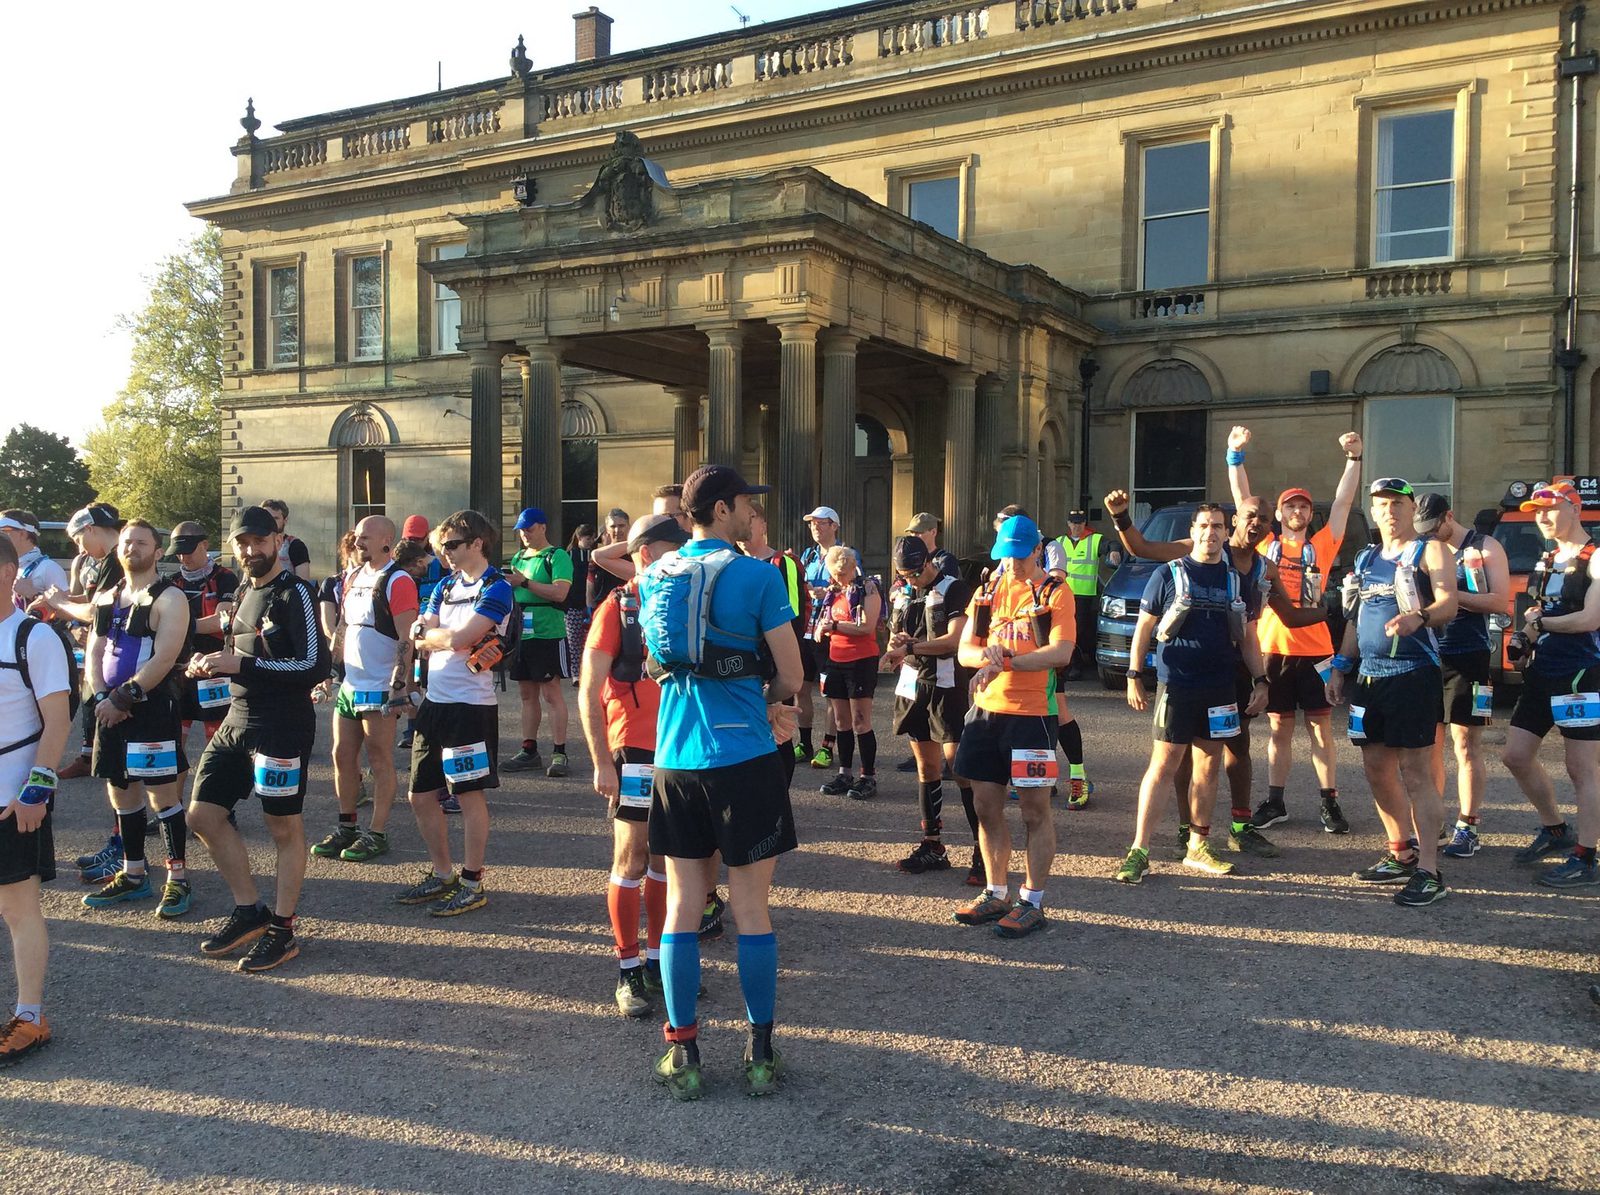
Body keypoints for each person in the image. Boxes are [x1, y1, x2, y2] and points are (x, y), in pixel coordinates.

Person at [640, 464, 802, 1100]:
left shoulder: (654, 575)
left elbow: (656, 663)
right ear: (726, 508)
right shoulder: (757, 574)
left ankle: (683, 1052)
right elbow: (790, 672)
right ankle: (760, 1052)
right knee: (751, 907)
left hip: (676, 756)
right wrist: (766, 698)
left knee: (682, 904)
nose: (751, 514)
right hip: (743, 755)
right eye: (746, 504)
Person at [1106, 488, 1327, 860]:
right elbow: (1141, 548)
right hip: (1192, 669)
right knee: (1180, 753)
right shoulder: (1203, 550)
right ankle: (1184, 827)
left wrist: (1332, 611)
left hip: (1238, 666)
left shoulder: (1262, 568)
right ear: (1235, 521)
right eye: (1250, 516)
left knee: (1236, 748)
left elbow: (1288, 617)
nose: (1256, 524)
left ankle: (1239, 828)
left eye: (1263, 520)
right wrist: (1121, 517)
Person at [185, 506, 329, 971]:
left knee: (282, 828)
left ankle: (283, 930)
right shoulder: (245, 587)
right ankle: (250, 911)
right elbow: (241, 648)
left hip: (283, 724)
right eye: (242, 542)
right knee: (203, 816)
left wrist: (240, 666)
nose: (250, 550)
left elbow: (314, 667)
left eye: (258, 541)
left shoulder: (297, 593)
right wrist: (209, 660)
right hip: (237, 718)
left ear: (277, 540)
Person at [1114, 505, 1271, 885]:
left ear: (1225, 531)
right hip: (1178, 684)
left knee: (1208, 767)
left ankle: (1198, 846)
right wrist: (1134, 675)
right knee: (1163, 766)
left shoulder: (1237, 580)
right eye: (1203, 526)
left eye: (1217, 526)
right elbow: (1144, 627)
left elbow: (1248, 638)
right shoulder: (1168, 573)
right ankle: (1139, 850)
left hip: (1220, 687)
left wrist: (1262, 680)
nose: (1210, 533)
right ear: (1193, 531)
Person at [1326, 478, 1458, 907]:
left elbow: (1449, 604)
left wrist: (1417, 617)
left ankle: (1430, 871)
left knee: (1416, 773)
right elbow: (1353, 619)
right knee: (1375, 768)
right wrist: (1340, 668)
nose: (1389, 511)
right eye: (1381, 504)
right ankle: (1400, 852)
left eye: (1398, 504)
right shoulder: (1365, 558)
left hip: (1413, 673)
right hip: (1370, 678)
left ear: (1410, 508)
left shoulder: (1428, 549)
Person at [1228, 426, 1364, 833]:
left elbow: (1343, 502)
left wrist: (1353, 459)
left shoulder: (1322, 545)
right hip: (1274, 648)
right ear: (1281, 513)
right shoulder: (1265, 543)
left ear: (1309, 514)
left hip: (1316, 649)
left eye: (1304, 507)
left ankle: (1329, 802)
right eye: (1291, 506)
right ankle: (1275, 801)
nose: (1298, 512)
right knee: (1279, 729)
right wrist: (1235, 454)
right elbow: (1242, 500)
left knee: (1321, 729)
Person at [579, 513, 688, 1017]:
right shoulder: (615, 609)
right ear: (645, 553)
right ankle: (627, 969)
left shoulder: (685, 600)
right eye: (673, 549)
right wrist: (601, 760)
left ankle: (655, 961)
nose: (683, 557)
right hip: (634, 748)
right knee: (633, 857)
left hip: (681, 747)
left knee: (668, 858)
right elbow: (586, 690)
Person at [951, 514, 1075, 938]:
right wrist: (989, 657)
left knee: (1033, 811)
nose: (1013, 564)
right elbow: (965, 649)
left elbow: (1061, 652)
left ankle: (1032, 900)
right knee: (985, 806)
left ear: (1038, 550)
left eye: (1020, 557)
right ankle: (995, 891)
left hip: (1032, 717)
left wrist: (1009, 661)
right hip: (986, 713)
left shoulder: (1055, 592)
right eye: (1006, 556)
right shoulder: (988, 590)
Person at [397, 510, 515, 917]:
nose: (443, 553)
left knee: (467, 795)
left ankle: (472, 880)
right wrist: (436, 637)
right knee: (419, 794)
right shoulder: (446, 584)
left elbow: (461, 637)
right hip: (436, 701)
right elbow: (420, 628)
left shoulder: (496, 587)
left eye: (451, 545)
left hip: (471, 706)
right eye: (439, 547)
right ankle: (443, 873)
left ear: (477, 543)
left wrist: (432, 637)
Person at [80, 520, 196, 918]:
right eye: (127, 542)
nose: (132, 547)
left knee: (162, 796)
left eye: (141, 542)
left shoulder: (170, 598)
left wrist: (122, 697)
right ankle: (132, 875)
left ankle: (177, 880)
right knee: (120, 792)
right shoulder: (107, 597)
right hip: (109, 712)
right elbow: (94, 653)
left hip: (149, 709)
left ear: (158, 551)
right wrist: (100, 697)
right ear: (118, 549)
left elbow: (165, 658)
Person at [1498, 481, 1600, 888]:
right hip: (1543, 671)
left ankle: (1586, 856)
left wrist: (1540, 624)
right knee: (1515, 756)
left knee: (1581, 769)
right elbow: (1538, 610)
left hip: (1581, 673)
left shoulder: (1595, 557)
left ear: (1574, 509)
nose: (1541, 517)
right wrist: (1525, 637)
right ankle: (1556, 828)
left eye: (1549, 509)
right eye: (1535, 511)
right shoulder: (1548, 557)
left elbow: (1590, 620)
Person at [0, 533, 72, 1064]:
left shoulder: (33, 638)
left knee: (18, 910)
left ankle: (29, 1017)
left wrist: (36, 790)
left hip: (12, 800)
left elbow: (58, 720)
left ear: (6, 575)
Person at [311, 516, 419, 865]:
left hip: (379, 685)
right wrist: (328, 668)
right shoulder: (352, 576)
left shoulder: (398, 580)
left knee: (379, 759)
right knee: (342, 755)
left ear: (387, 540)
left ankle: (377, 831)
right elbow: (342, 627)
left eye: (366, 538)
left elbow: (407, 639)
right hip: (351, 683)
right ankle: (347, 825)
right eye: (357, 537)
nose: (358, 543)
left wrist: (400, 685)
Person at [1412, 494, 1513, 859]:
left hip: (1468, 656)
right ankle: (1433, 820)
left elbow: (1499, 601)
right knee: (1429, 746)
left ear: (1449, 517)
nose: (1427, 538)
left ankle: (1468, 825)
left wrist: (1450, 597)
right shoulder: (1421, 548)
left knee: (1467, 744)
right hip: (1428, 656)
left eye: (1432, 530)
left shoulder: (1484, 547)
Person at [884, 534, 977, 878]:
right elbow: (895, 634)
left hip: (947, 684)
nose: (908, 580)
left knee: (960, 768)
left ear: (927, 562)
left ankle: (982, 849)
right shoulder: (903, 591)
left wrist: (911, 649)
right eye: (902, 574)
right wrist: (897, 641)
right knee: (926, 768)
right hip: (912, 684)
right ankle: (933, 844)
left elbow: (954, 640)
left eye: (912, 573)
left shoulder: (954, 588)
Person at [992, 504, 1084, 807]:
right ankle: (1033, 778)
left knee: (1059, 710)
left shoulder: (1052, 547)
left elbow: (1054, 580)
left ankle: (1078, 776)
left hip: (1047, 640)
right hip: (1017, 650)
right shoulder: (1005, 559)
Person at [37, 503, 122, 790]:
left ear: (90, 529)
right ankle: (92, 757)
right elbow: (90, 601)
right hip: (104, 641)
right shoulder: (103, 559)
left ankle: (113, 765)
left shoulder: (116, 559)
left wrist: (59, 604)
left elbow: (97, 612)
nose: (80, 549)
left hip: (120, 646)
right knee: (90, 697)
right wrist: (57, 600)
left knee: (104, 701)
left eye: (78, 540)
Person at [503, 508, 573, 777]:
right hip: (522, 632)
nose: (524, 535)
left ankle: (559, 752)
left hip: (548, 631)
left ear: (543, 527)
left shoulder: (557, 556)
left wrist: (525, 582)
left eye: (529, 529)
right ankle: (529, 750)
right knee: (526, 694)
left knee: (551, 693)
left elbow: (560, 592)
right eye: (521, 530)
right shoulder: (519, 557)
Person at [815, 544, 882, 800]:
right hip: (835, 659)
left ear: (854, 567)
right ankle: (845, 772)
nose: (841, 578)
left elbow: (865, 628)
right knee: (841, 720)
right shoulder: (833, 592)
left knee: (860, 721)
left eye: (845, 573)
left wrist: (834, 625)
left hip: (861, 660)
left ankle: (868, 775)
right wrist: (824, 627)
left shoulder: (867, 588)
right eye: (836, 573)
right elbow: (827, 621)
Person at [169, 522, 240, 752]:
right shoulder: (171, 582)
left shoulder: (225, 578)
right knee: (174, 739)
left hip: (213, 666)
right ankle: (172, 789)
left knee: (217, 737)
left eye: (188, 551)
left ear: (204, 545)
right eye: (178, 552)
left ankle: (215, 786)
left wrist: (180, 627)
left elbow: (222, 620)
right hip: (179, 666)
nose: (183, 558)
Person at [799, 506, 855, 768]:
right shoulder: (807, 556)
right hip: (806, 630)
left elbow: (855, 589)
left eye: (821, 523)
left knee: (830, 693)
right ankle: (804, 742)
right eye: (812, 524)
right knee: (801, 688)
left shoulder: (846, 555)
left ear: (834, 526)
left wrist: (828, 591)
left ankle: (827, 746)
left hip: (830, 632)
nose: (815, 528)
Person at [1055, 509, 1121, 681]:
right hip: (1063, 594)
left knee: (1079, 632)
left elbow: (1113, 544)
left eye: (1080, 522)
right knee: (1065, 631)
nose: (1077, 526)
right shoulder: (1060, 541)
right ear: (1068, 523)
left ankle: (1076, 665)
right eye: (1074, 522)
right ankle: (1070, 664)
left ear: (1085, 523)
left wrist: (1114, 551)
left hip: (1085, 596)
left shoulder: (1094, 540)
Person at [396, 516, 442, 751]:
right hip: (409, 627)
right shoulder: (399, 561)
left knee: (432, 678)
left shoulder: (438, 562)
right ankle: (412, 727)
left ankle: (433, 724)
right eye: (409, 539)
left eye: (418, 540)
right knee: (411, 679)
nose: (414, 543)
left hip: (434, 629)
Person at [1, 510, 69, 612]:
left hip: (36, 627)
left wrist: (32, 593)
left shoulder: (49, 568)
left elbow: (67, 610)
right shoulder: (7, 567)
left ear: (23, 534)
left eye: (3, 531)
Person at [565, 524, 597, 689]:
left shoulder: (594, 555)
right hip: (574, 605)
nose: (591, 541)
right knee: (574, 642)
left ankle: (588, 672)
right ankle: (576, 674)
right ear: (579, 538)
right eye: (587, 538)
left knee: (589, 642)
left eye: (592, 538)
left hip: (590, 604)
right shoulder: (569, 556)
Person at [587, 509, 632, 611]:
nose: (617, 530)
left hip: (631, 608)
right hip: (603, 607)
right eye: (613, 526)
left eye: (621, 526)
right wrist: (590, 607)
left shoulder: (636, 553)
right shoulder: (599, 556)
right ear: (607, 529)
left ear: (628, 526)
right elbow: (590, 583)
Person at [260, 499, 313, 580]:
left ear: (285, 520)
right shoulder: (255, 545)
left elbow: (303, 582)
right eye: (267, 518)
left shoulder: (295, 546)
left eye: (275, 518)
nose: (270, 522)